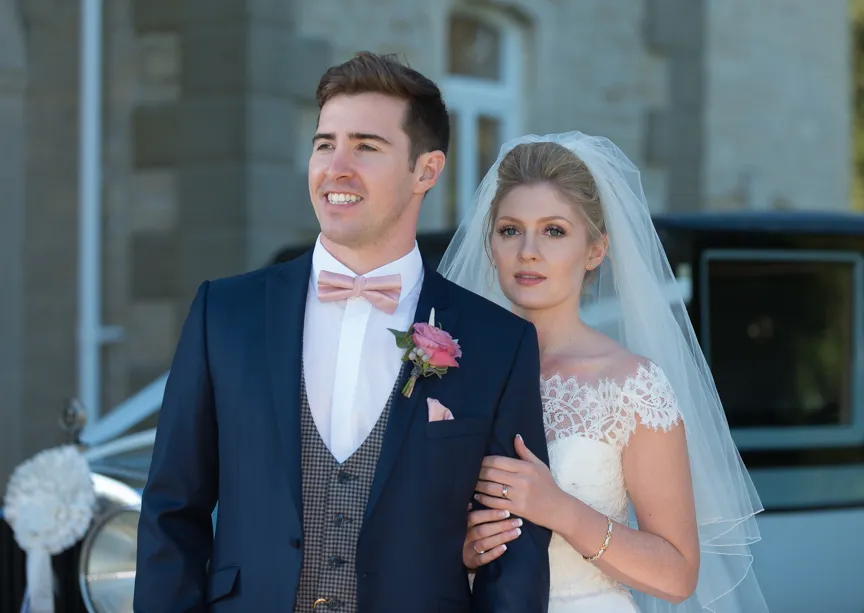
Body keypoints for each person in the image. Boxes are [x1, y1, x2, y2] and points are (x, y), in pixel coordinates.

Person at [132, 52, 551, 613]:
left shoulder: (497, 342)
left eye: (367, 146)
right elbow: (170, 511)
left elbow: (514, 553)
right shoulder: (224, 313)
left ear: (426, 170)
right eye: (325, 143)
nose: (336, 167)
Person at [438, 133, 768, 613]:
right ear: (490, 243)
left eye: (554, 231)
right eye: (510, 230)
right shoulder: (452, 370)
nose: (528, 250)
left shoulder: (631, 385)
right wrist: (464, 557)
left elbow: (677, 575)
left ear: (595, 250)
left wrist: (562, 511)